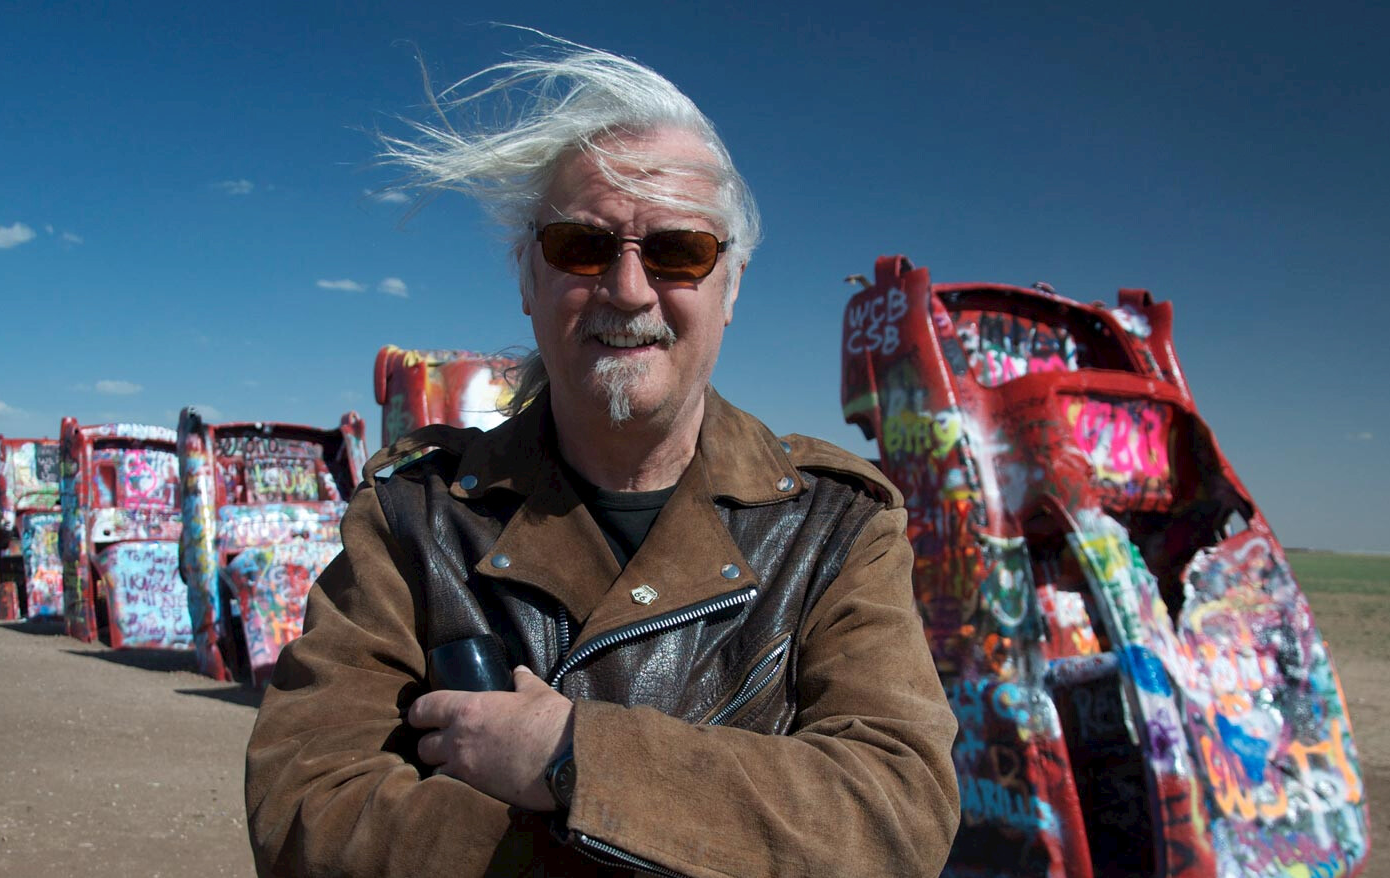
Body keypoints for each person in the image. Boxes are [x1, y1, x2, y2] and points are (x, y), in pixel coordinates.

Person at [245, 37, 958, 877]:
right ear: (528, 279)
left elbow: (896, 811)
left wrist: (571, 755)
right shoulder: (416, 518)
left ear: (730, 287)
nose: (628, 288)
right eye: (582, 247)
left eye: (678, 251)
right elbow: (309, 807)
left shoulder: (834, 527)